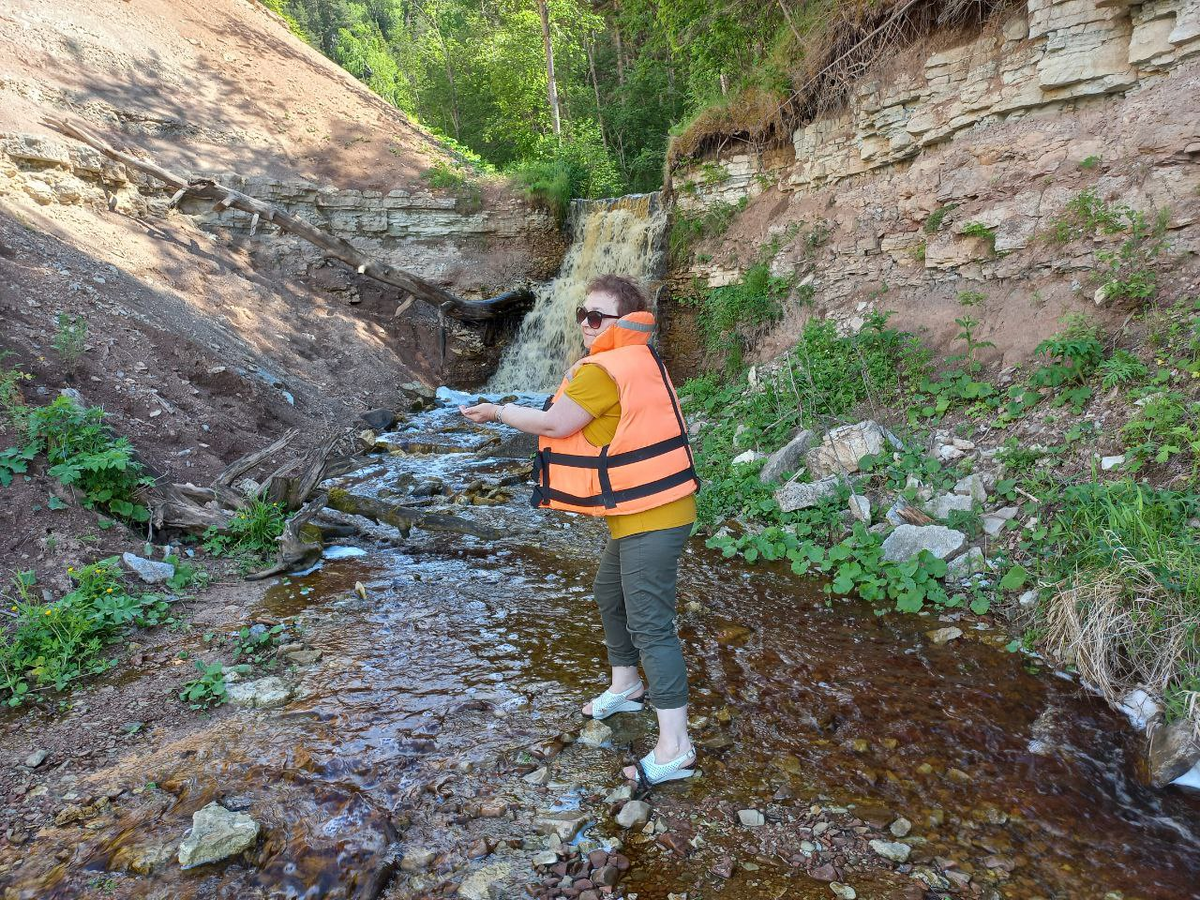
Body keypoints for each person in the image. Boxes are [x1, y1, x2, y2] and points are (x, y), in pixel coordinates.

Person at [460, 274, 700, 788]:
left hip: (652, 515)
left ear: (623, 322)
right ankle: (626, 684)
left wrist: (498, 411)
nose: (587, 325)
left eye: (598, 317)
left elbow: (555, 425)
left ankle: (675, 747)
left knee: (652, 625)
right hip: (653, 505)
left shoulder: (602, 369)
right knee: (608, 593)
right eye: (582, 315)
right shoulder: (640, 357)